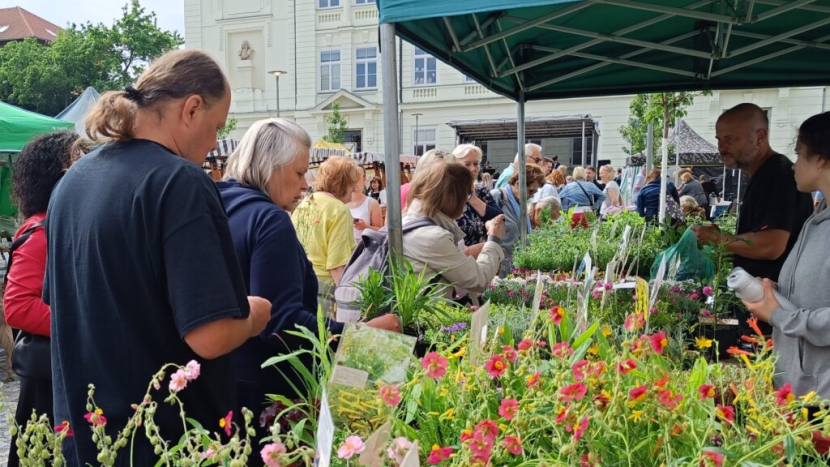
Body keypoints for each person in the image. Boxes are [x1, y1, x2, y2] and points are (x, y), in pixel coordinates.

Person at [44, 50, 271, 466]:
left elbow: (65, 306)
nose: (213, 145)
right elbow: (210, 335)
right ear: (192, 108)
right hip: (166, 443)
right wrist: (255, 315)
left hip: (90, 441)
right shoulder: (179, 181)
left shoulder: (71, 182)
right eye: (216, 128)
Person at [217, 119, 399, 451]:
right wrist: (363, 334)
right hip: (268, 392)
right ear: (271, 167)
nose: (305, 185)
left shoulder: (218, 203)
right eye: (300, 173)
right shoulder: (270, 219)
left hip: (223, 383)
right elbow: (283, 324)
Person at [4, 132, 88, 467]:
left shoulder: (55, 223)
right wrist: (83, 326)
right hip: (49, 378)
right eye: (76, 163)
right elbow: (18, 307)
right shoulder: (42, 230)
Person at [694, 103, 813, 333]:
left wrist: (720, 238)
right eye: (719, 139)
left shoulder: (775, 175)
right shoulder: (765, 174)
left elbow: (771, 245)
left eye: (730, 139)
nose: (721, 147)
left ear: (760, 137)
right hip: (768, 307)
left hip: (774, 311)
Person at [741, 111, 830, 405]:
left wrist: (779, 315)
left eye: (800, 154)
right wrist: (778, 294)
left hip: (821, 399)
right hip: (801, 387)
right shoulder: (817, 219)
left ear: (821, 159)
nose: (794, 164)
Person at [403, 159, 505, 298]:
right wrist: (494, 239)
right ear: (453, 198)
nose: (466, 202)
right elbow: (479, 280)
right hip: (426, 311)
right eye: (467, 195)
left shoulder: (408, 221)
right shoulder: (434, 237)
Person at [292, 156, 362, 316]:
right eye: (352, 184)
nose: (354, 190)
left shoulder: (305, 203)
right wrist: (351, 306)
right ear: (342, 183)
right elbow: (337, 266)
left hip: (300, 285)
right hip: (325, 294)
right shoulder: (339, 210)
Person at [491, 164, 546, 272]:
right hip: (498, 268)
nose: (532, 195)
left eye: (535, 192)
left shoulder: (520, 204)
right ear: (518, 184)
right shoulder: (496, 197)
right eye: (531, 191)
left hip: (514, 268)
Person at [451, 144, 503, 250]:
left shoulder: (481, 190)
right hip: (457, 255)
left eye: (476, 164)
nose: (473, 168)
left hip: (485, 253)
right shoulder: (449, 193)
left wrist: (473, 199)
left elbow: (499, 218)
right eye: (467, 164)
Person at [348, 169, 383, 243]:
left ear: (364, 178)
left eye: (357, 177)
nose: (353, 181)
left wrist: (365, 227)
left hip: (364, 247)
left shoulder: (372, 203)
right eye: (350, 177)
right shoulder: (340, 203)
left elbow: (380, 230)